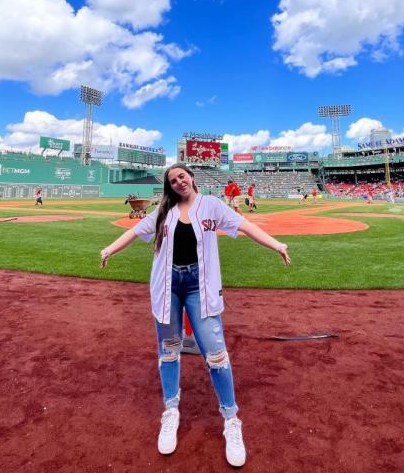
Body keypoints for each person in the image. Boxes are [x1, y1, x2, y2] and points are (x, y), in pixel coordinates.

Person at [100, 164, 290, 467]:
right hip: (167, 288)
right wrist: (108, 250)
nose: (178, 182)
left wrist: (277, 244)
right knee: (169, 353)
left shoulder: (212, 205)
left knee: (216, 355)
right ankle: (171, 412)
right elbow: (135, 232)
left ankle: (231, 419)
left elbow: (245, 226)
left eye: (182, 176)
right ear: (170, 186)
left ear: (191, 177)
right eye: (173, 180)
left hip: (199, 287)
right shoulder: (164, 211)